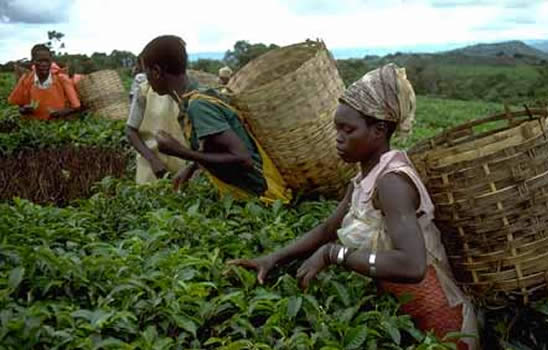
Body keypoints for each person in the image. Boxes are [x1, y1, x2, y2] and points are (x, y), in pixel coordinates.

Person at [230, 64, 479, 349]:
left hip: (443, 324)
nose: (338, 137)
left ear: (379, 130)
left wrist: (335, 254)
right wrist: (272, 258)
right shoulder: (364, 179)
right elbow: (327, 229)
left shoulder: (392, 184)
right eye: (337, 128)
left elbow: (412, 266)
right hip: (406, 317)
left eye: (348, 129)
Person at [138, 35, 290, 204]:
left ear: (157, 71)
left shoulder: (199, 105)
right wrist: (191, 167)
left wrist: (179, 151)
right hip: (244, 197)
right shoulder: (193, 99)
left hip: (263, 199)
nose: (147, 79)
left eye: (147, 72)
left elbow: (242, 158)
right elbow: (215, 148)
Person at [126, 59, 188, 184]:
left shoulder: (190, 92)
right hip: (151, 170)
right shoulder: (144, 90)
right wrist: (153, 161)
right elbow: (130, 130)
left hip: (185, 171)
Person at [8, 44, 81, 120]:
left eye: (47, 61)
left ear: (51, 61)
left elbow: (76, 107)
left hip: (58, 125)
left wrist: (62, 113)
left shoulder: (62, 79)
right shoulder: (25, 80)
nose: (44, 64)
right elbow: (20, 107)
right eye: (40, 61)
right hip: (33, 126)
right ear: (33, 61)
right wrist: (24, 110)